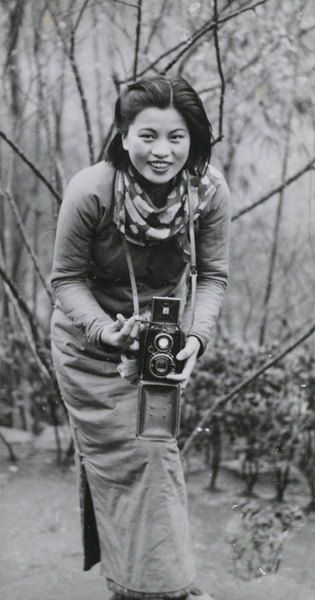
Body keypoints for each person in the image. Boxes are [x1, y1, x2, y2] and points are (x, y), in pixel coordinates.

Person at [51, 75, 231, 600]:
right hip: (90, 349)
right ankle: (163, 589)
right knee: (140, 461)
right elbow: (66, 279)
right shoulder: (91, 189)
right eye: (148, 135)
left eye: (177, 137)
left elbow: (213, 277)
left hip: (160, 349)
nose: (162, 151)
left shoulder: (210, 193)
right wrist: (106, 330)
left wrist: (194, 340)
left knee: (153, 459)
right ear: (123, 135)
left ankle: (146, 585)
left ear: (195, 140)